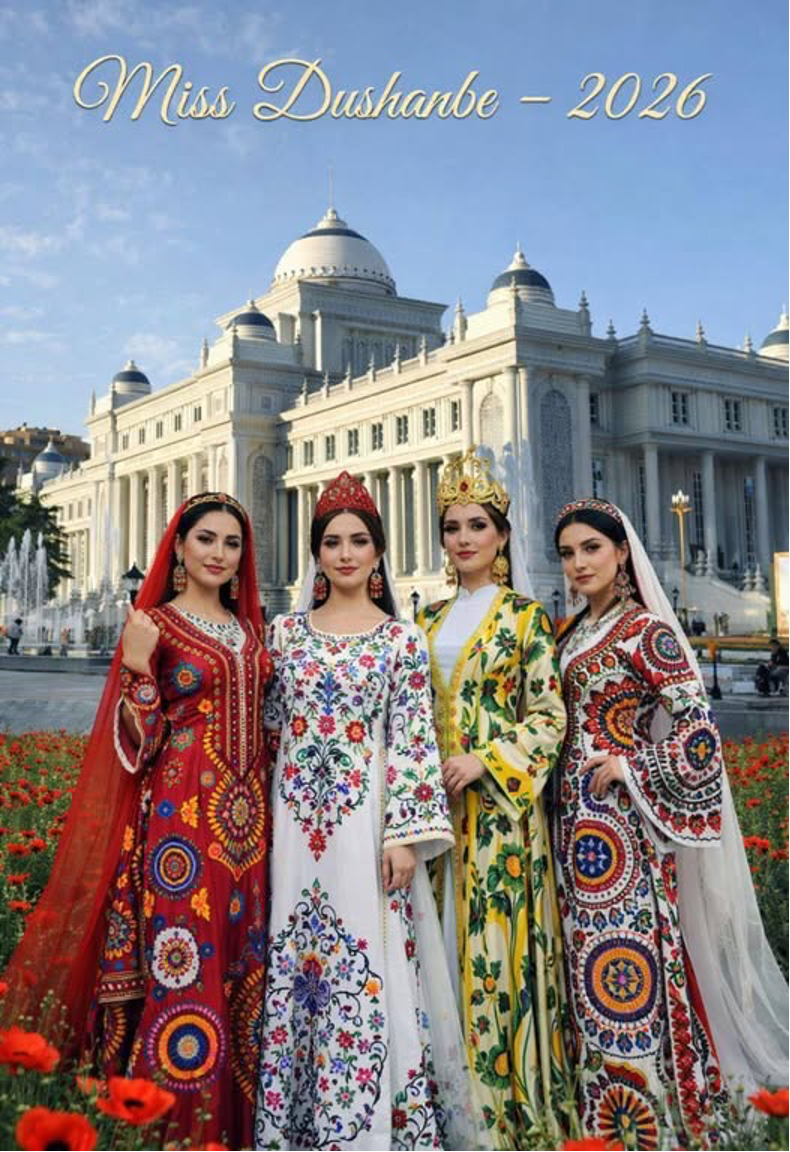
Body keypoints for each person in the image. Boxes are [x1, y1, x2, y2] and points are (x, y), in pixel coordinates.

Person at [2, 493, 273, 1149]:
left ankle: (237, 1126)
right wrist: (135, 666)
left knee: (244, 964)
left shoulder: (251, 630)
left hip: (250, 834)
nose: (218, 553)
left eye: (232, 543)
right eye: (205, 539)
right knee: (184, 962)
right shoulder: (154, 624)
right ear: (178, 546)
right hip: (181, 828)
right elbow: (137, 744)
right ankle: (174, 1125)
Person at [553, 497, 788, 1149]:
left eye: (591, 549)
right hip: (573, 830)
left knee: (626, 962)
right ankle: (598, 1106)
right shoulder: (574, 632)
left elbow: (699, 733)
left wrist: (629, 764)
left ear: (621, 551)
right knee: (583, 961)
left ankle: (645, 1108)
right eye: (567, 553)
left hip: (624, 829)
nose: (579, 564)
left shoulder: (645, 632)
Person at [255, 471, 478, 1152]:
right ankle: (293, 1123)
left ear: (379, 551)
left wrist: (404, 836)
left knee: (368, 955)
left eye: (358, 541)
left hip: (367, 826)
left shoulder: (400, 641)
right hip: (296, 828)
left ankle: (370, 1128)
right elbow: (268, 733)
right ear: (316, 554)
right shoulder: (284, 635)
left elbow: (413, 739)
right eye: (332, 542)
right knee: (297, 952)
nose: (345, 553)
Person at [416, 449, 568, 1150]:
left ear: (503, 535)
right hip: (434, 820)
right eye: (452, 527)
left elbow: (550, 716)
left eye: (478, 525)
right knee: (438, 949)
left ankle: (499, 1109)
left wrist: (486, 759)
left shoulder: (526, 618)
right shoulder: (425, 620)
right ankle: (439, 1104)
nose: (464, 538)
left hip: (502, 820)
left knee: (496, 956)